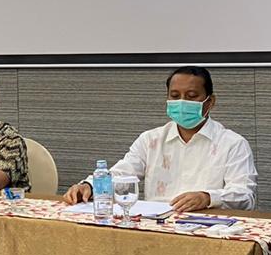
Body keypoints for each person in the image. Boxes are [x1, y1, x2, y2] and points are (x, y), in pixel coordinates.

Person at [63, 66, 256, 212]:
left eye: (191, 96)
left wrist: (207, 198)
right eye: (175, 96)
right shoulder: (151, 140)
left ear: (210, 101)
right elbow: (122, 173)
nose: (182, 102)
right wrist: (89, 186)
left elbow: (245, 196)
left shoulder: (233, 144)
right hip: (157, 227)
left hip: (210, 229)